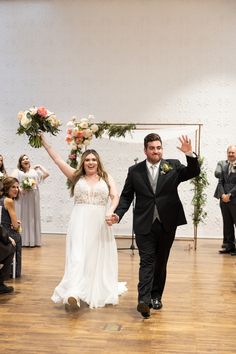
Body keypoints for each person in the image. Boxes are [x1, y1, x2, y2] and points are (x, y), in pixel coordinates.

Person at [110, 133, 200, 318]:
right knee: (147, 261)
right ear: (145, 150)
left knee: (161, 261)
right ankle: (143, 300)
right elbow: (127, 196)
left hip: (167, 222)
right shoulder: (135, 171)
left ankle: (156, 296)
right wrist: (118, 214)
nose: (156, 151)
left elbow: (193, 172)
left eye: (158, 147)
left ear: (161, 149)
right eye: (152, 148)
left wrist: (189, 154)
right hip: (144, 223)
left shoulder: (173, 165)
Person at [40, 133, 127, 310]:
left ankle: (91, 288)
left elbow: (115, 196)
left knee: (95, 257)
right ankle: (74, 293)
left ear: (98, 162)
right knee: (77, 256)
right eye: (87, 159)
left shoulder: (106, 177)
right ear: (83, 162)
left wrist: (111, 211)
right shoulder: (76, 177)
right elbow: (57, 160)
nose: (91, 162)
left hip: (100, 223)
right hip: (79, 221)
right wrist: (44, 142)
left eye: (94, 159)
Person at [12, 155, 49, 247]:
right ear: (20, 162)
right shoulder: (18, 172)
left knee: (33, 216)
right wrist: (20, 189)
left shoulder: (34, 171)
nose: (25, 160)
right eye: (23, 159)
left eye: (27, 158)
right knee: (23, 216)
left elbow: (47, 174)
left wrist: (39, 166)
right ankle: (23, 241)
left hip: (34, 196)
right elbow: (12, 181)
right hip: (23, 196)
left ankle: (34, 241)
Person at [214, 145, 236, 255]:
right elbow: (220, 181)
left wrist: (230, 195)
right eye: (229, 152)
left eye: (233, 152)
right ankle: (228, 246)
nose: (231, 154)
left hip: (234, 199)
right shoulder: (224, 165)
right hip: (224, 200)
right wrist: (223, 195)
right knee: (227, 223)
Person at [0, 177, 22, 279]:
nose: (16, 189)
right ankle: (14, 271)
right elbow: (15, 225)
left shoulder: (1, 199)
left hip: (1, 230)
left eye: (17, 187)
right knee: (18, 236)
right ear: (7, 187)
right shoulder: (9, 201)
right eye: (13, 187)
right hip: (5, 233)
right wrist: (17, 225)